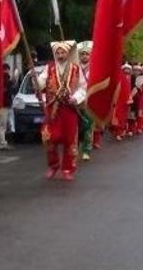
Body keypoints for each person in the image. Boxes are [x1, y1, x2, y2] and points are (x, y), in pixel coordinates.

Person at [36, 40, 86, 181]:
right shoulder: (49, 67)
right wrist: (36, 81)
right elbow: (41, 81)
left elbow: (83, 87)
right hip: (53, 109)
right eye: (57, 52)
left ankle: (67, 169)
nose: (60, 54)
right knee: (49, 137)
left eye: (62, 52)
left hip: (69, 109)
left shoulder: (76, 69)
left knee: (70, 140)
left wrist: (75, 98)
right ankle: (53, 165)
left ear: (68, 53)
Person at [75, 41, 95, 160]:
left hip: (89, 100)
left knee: (88, 125)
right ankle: (75, 147)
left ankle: (87, 149)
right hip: (77, 100)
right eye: (82, 54)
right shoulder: (75, 68)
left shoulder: (94, 68)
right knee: (76, 125)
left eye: (86, 54)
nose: (84, 56)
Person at [110, 62, 133, 141]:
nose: (127, 70)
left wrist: (129, 98)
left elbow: (129, 90)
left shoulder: (130, 77)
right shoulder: (120, 77)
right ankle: (117, 133)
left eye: (128, 69)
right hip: (119, 99)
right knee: (118, 116)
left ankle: (122, 130)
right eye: (125, 69)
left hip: (126, 100)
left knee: (124, 117)